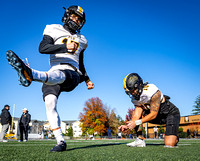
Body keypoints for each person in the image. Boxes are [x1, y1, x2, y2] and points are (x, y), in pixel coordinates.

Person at [6, 5, 94, 152]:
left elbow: (81, 62)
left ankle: (31, 74)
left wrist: (86, 79)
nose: (76, 20)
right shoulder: (54, 29)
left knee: (60, 75)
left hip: (72, 73)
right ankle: (60, 141)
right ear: (67, 15)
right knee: (50, 104)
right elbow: (43, 48)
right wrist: (65, 48)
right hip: (53, 73)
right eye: (74, 16)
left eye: (79, 19)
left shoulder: (82, 40)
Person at [119, 73, 180, 148]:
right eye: (130, 91)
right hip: (157, 116)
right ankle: (140, 140)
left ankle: (175, 136)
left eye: (133, 90)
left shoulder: (152, 91)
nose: (132, 93)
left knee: (169, 144)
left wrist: (136, 122)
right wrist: (128, 126)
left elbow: (153, 114)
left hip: (169, 114)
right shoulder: (135, 98)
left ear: (139, 85)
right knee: (136, 113)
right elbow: (137, 115)